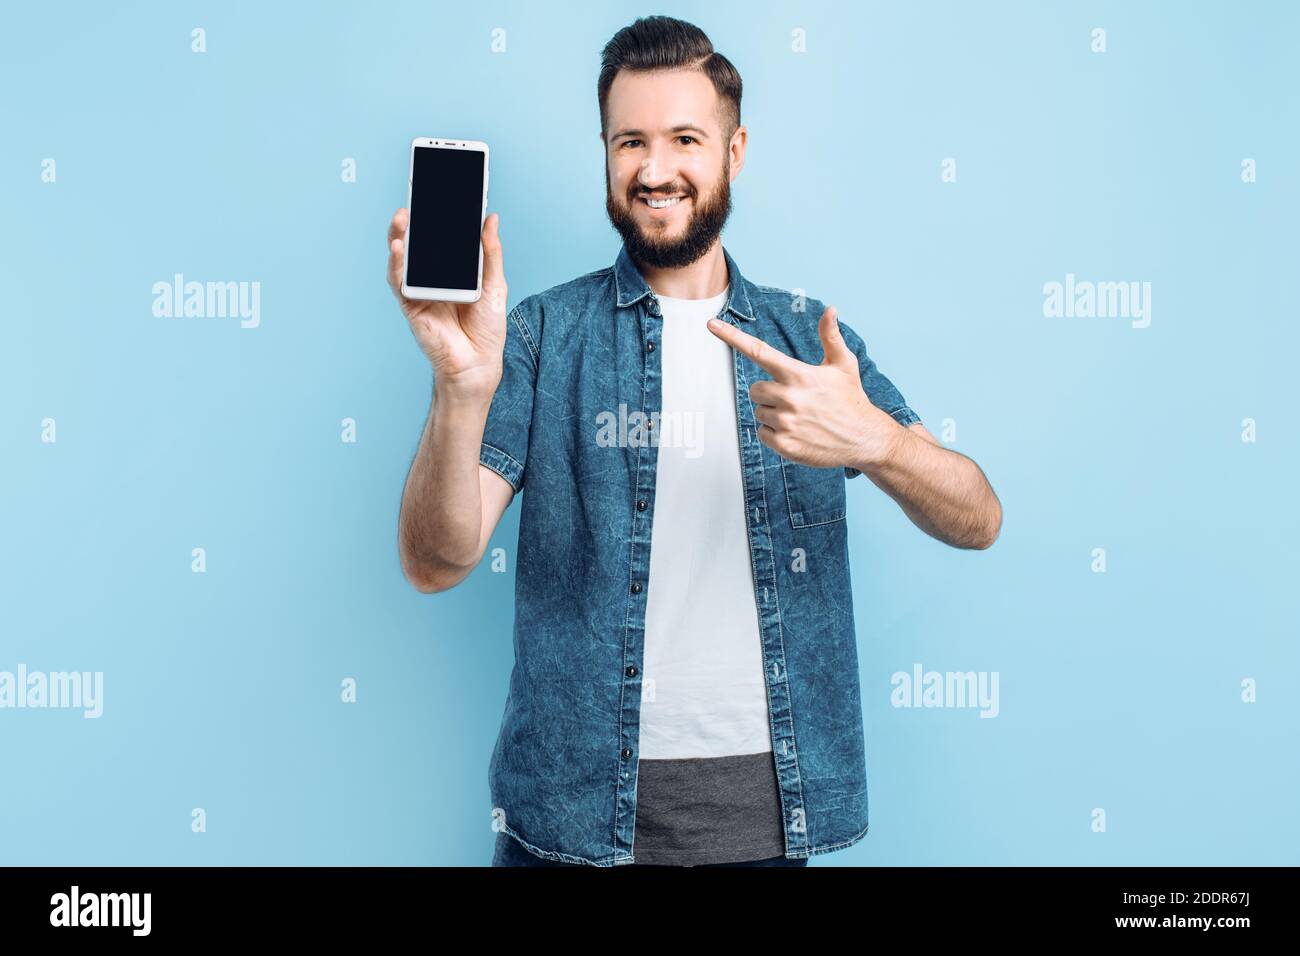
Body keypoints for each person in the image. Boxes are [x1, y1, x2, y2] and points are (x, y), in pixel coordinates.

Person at [385, 15, 1002, 868]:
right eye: (630, 140)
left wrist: (877, 443)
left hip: (764, 824)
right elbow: (437, 560)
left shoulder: (809, 341)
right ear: (605, 151)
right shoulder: (538, 337)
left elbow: (978, 518)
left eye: (685, 138)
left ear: (735, 150)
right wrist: (460, 389)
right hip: (566, 824)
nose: (656, 168)